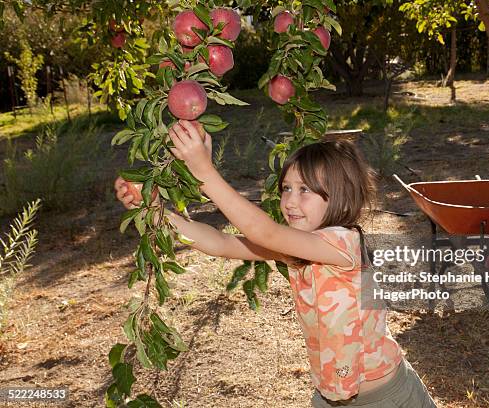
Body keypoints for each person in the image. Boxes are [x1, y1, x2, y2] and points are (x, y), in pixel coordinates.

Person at [114, 120, 436, 407]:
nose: (289, 201)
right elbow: (221, 244)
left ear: (340, 196)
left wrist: (205, 173)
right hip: (331, 396)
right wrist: (154, 211)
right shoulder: (297, 249)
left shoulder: (343, 244)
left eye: (304, 190)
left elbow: (264, 231)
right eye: (286, 188)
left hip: (389, 398)